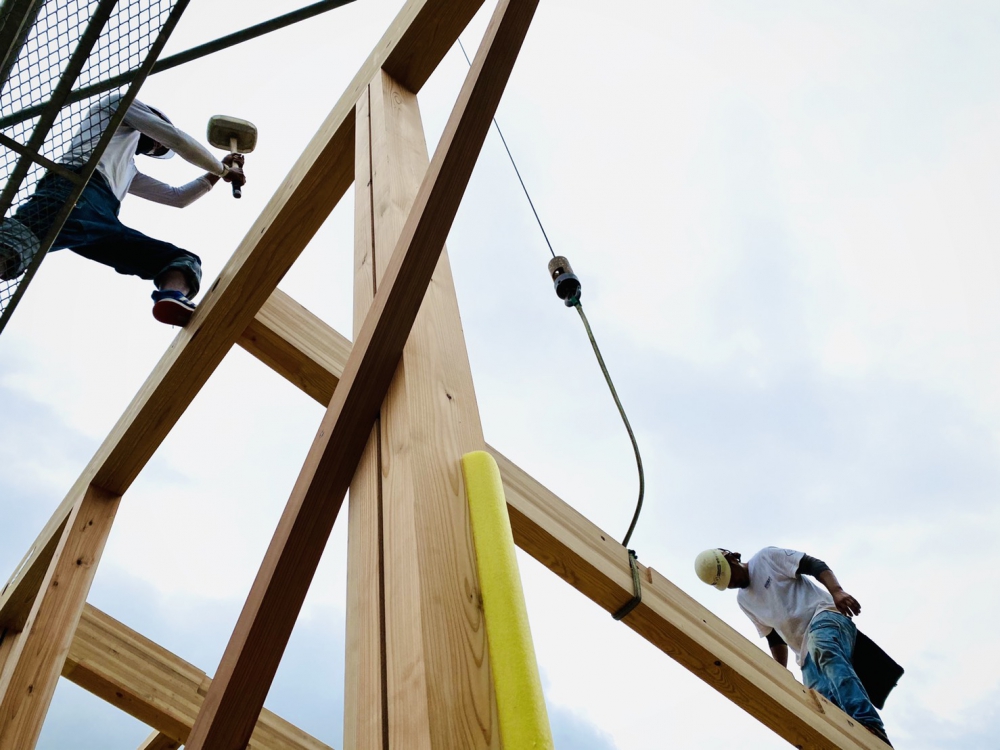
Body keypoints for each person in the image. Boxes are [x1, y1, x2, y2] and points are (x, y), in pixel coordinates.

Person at [0, 92, 246, 326]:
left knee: (181, 261)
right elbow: (176, 139)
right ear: (151, 118)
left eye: (158, 150)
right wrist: (222, 170)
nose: (158, 147)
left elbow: (176, 197)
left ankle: (171, 297)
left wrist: (218, 173)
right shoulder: (119, 106)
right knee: (14, 245)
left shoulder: (127, 169)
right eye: (158, 146)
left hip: (103, 219)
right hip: (76, 187)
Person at [694, 546, 892, 746]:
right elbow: (774, 637)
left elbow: (814, 565)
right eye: (726, 583)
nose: (732, 582)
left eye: (729, 575)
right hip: (805, 652)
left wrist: (837, 592)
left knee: (824, 648)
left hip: (824, 617)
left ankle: (870, 725)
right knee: (821, 705)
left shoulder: (766, 558)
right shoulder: (744, 601)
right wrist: (779, 672)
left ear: (732, 558)